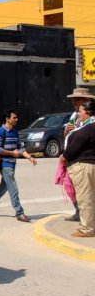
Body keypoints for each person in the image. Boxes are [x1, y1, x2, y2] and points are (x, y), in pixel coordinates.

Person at [0, 109, 37, 222]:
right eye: (14, 118)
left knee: (4, 187)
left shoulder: (15, 132)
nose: (17, 119)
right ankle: (20, 213)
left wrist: (29, 158)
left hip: (12, 164)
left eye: (16, 117)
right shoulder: (0, 131)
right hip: (4, 164)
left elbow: (20, 148)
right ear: (7, 119)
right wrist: (12, 153)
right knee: (13, 188)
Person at [60, 100, 95, 237]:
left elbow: (75, 145)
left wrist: (64, 156)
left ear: (88, 112)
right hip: (89, 165)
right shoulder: (84, 126)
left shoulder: (88, 128)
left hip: (84, 166)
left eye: (80, 112)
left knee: (85, 197)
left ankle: (87, 229)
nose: (78, 114)